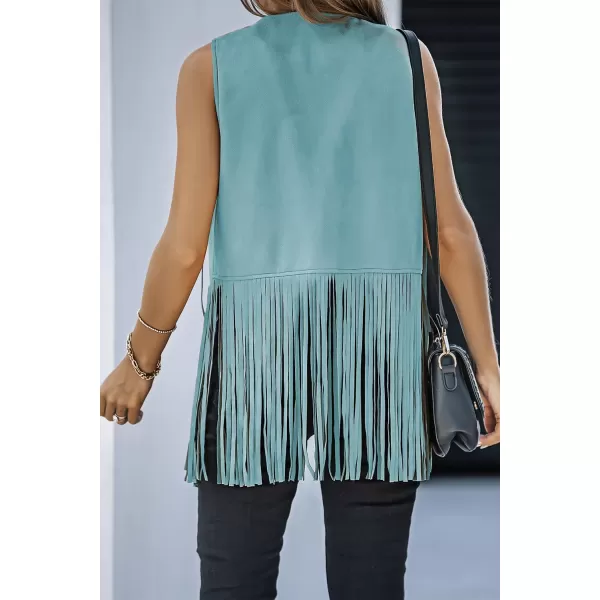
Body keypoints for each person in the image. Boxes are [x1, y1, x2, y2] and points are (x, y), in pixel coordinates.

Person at [100, 1, 500, 598]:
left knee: (235, 584)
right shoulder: (408, 60)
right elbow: (448, 231)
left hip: (254, 355)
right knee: (371, 585)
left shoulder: (210, 69)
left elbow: (184, 249)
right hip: (377, 351)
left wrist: (139, 363)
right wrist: (489, 369)